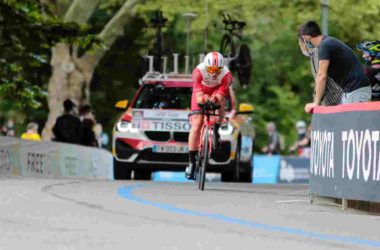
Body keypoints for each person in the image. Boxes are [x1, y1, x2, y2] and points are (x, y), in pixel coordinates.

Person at [299, 21, 371, 114]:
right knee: (346, 125)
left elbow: (321, 76)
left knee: (352, 126)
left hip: (356, 90)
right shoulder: (327, 42)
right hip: (351, 90)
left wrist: (315, 103)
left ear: (306, 37)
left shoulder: (325, 45)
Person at [185, 51, 232, 180]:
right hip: (202, 92)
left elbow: (221, 94)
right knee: (197, 124)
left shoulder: (227, 75)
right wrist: (204, 99)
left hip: (217, 91)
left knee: (221, 103)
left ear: (222, 68)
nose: (214, 72)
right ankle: (191, 162)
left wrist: (214, 100)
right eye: (211, 68)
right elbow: (198, 97)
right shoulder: (198, 72)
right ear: (206, 66)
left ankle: (216, 129)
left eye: (218, 69)